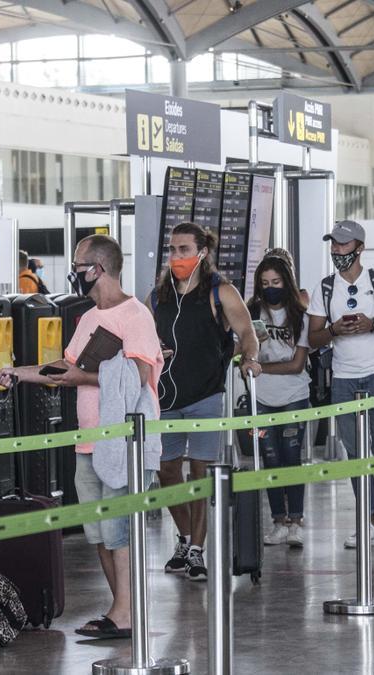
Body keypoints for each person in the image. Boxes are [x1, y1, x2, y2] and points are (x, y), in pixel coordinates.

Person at [0, 235, 163, 640]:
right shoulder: (89, 317)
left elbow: (138, 378)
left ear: (99, 268)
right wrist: (19, 374)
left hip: (124, 442)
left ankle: (126, 611)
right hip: (89, 442)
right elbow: (65, 365)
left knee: (121, 530)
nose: (75, 272)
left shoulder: (136, 316)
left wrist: (80, 378)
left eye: (80, 265)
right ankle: (121, 607)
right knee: (100, 534)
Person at [151, 222, 259, 582]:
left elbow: (246, 332)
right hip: (166, 397)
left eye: (184, 250)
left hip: (206, 396)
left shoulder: (220, 292)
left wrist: (250, 357)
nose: (176, 257)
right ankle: (184, 538)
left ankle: (197, 549)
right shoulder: (160, 295)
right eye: (172, 250)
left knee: (200, 474)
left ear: (202, 252)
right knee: (167, 473)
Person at [307, 220, 374, 548]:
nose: (337, 250)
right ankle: (369, 520)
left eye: (343, 244)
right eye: (334, 245)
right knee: (355, 454)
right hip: (342, 380)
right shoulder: (324, 288)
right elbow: (312, 339)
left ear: (360, 247)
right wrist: (335, 330)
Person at [247, 256, 311, 547]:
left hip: (294, 395)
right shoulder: (251, 313)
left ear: (286, 282)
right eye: (264, 284)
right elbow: (242, 352)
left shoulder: (301, 316)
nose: (270, 288)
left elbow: (297, 364)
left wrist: (261, 367)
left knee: (291, 457)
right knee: (269, 458)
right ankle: (278, 520)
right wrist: (248, 356)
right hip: (261, 397)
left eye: (276, 282)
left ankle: (296, 520)